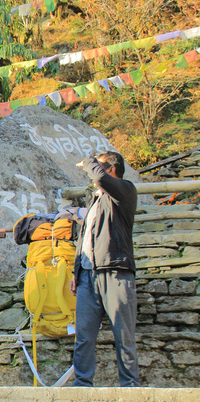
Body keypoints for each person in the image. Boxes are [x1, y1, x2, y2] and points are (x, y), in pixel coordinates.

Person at [70, 151, 139, 387]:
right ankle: (82, 384)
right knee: (84, 335)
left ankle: (130, 385)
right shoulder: (96, 201)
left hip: (116, 271)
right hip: (88, 275)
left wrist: (89, 161)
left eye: (98, 166)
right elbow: (86, 238)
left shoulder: (125, 191)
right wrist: (76, 271)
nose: (92, 172)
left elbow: (100, 179)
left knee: (124, 334)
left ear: (110, 169)